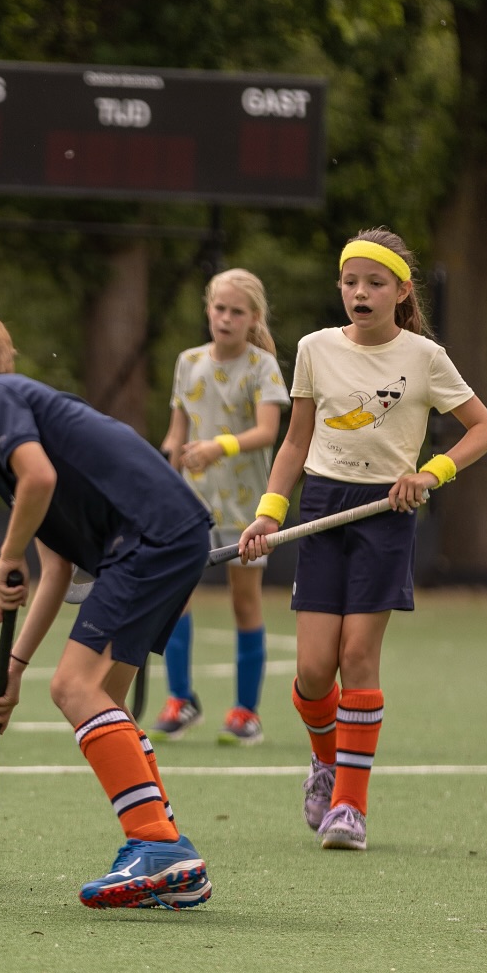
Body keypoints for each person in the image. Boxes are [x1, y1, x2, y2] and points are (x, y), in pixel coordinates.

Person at [0, 296, 212, 909]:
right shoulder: (8, 427)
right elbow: (58, 570)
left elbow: (39, 479)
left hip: (147, 535)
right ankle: (171, 854)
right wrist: (13, 671)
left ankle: (155, 845)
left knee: (74, 688)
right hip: (168, 534)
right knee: (106, 697)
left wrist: (5, 554)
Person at [239, 228, 487, 850]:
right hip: (324, 508)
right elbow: (296, 442)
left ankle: (349, 808)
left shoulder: (424, 357)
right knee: (310, 671)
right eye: (351, 282)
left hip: (388, 510)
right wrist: (270, 513)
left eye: (375, 283)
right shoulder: (313, 348)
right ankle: (324, 765)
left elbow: (483, 429)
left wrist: (430, 473)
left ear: (400, 291)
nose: (360, 293)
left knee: (357, 658)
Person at [157, 269, 289, 745]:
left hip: (246, 507)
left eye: (237, 311)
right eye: (219, 308)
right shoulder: (188, 361)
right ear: (208, 310)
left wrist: (217, 446)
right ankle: (180, 699)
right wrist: (166, 465)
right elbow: (177, 430)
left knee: (244, 601)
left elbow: (267, 432)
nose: (226, 318)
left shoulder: (262, 367)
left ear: (253, 317)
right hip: (190, 504)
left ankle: (245, 713)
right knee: (175, 597)